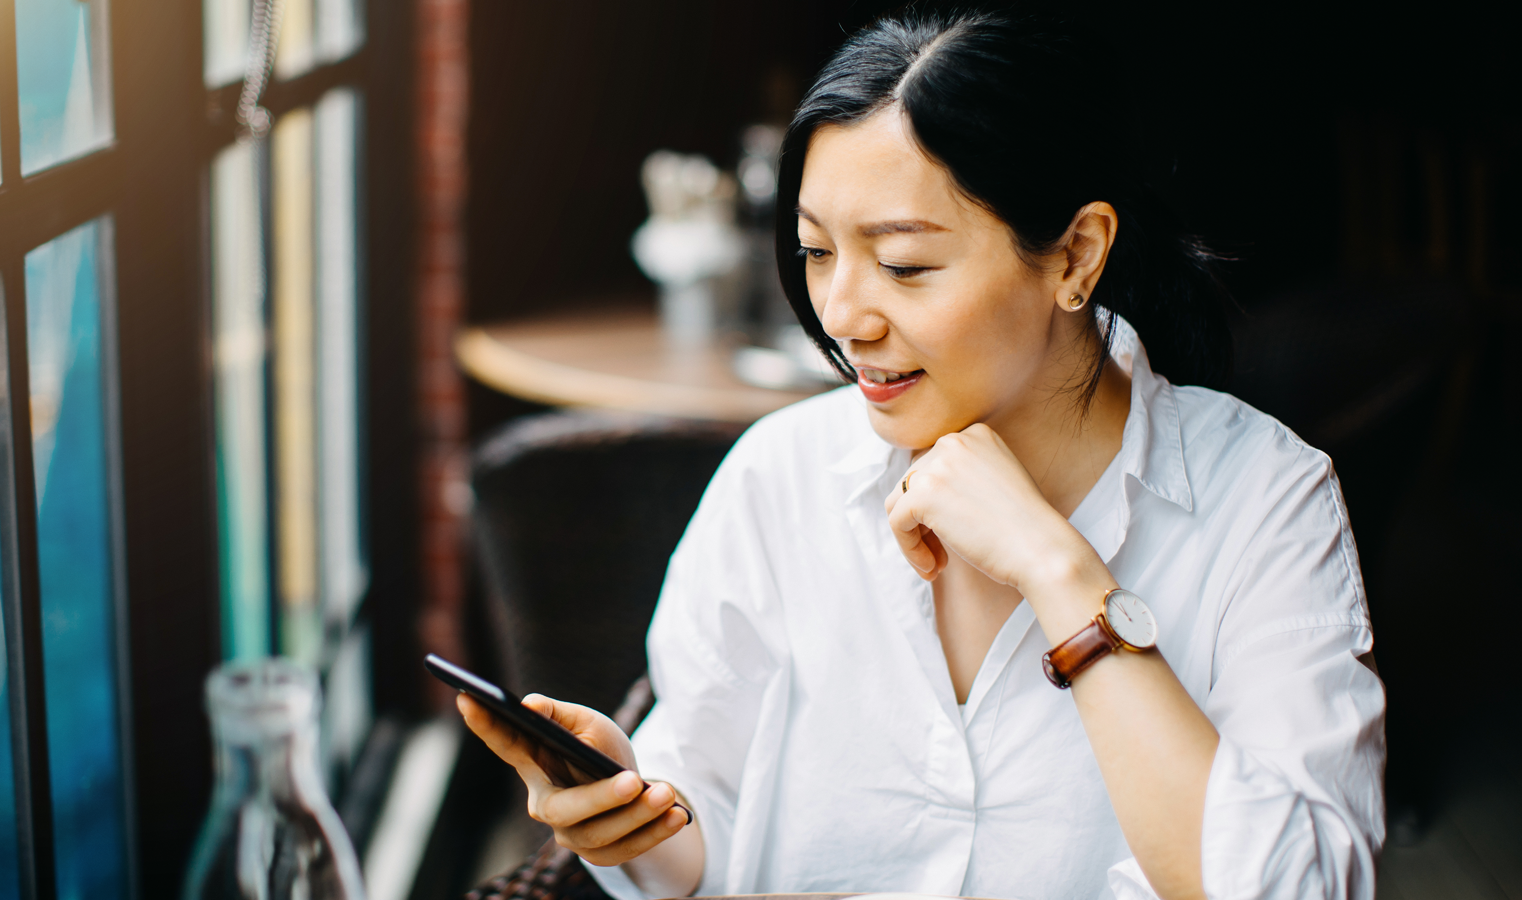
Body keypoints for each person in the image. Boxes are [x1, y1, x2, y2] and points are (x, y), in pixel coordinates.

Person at [460, 9, 1385, 900]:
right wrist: (633, 825)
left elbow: (1293, 885)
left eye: (904, 265)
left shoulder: (1263, 496)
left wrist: (1060, 571)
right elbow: (703, 832)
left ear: (1075, 256)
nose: (843, 317)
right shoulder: (779, 474)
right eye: (817, 253)